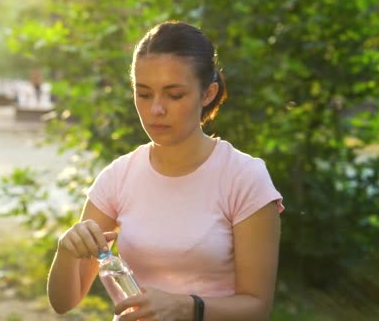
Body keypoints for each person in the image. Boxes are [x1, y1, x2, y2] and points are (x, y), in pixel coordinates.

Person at [47, 21, 284, 320]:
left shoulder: (244, 178)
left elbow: (256, 307)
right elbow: (63, 302)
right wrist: (67, 252)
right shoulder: (118, 176)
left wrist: (186, 306)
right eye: (144, 94)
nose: (156, 109)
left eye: (174, 95)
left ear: (208, 93)